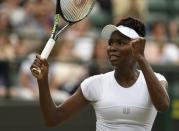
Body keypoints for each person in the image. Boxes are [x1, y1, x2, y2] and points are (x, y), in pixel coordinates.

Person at [30, 17, 170, 131]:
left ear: (137, 47)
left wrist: (141, 57)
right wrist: (42, 82)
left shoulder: (157, 80)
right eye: (110, 43)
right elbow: (53, 119)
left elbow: (163, 106)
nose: (112, 48)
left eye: (120, 43)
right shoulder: (94, 84)